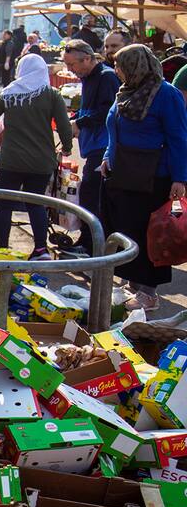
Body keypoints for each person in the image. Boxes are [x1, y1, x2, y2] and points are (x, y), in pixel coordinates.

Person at [101, 45, 187, 312]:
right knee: (126, 228)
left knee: (147, 233)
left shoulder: (166, 94)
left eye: (120, 64)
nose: (116, 69)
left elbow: (179, 138)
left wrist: (180, 178)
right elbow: (114, 130)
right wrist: (107, 157)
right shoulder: (125, 91)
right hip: (122, 174)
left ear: (136, 65)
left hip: (152, 177)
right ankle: (133, 284)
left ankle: (148, 293)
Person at [0, 52, 73, 260]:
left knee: (5, 204)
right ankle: (41, 249)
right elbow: (64, 126)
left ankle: (2, 249)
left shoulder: (8, 93)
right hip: (41, 161)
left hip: (11, 159)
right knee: (36, 202)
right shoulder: (52, 94)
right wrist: (66, 147)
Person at [60, 40, 120, 258]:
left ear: (87, 58)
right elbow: (89, 109)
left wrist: (80, 123)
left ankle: (90, 245)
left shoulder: (106, 77)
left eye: (72, 64)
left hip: (103, 146)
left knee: (90, 195)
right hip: (93, 145)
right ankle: (89, 242)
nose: (69, 70)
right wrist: (75, 119)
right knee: (90, 195)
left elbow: (107, 111)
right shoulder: (88, 78)